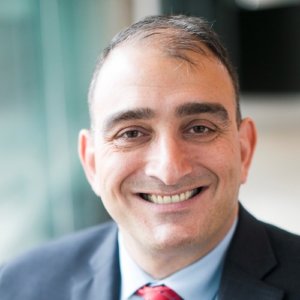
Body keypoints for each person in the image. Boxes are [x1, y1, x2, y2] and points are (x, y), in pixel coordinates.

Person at [0, 15, 299, 300]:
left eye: (199, 128)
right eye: (131, 134)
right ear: (91, 162)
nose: (169, 170)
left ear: (244, 150)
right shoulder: (17, 286)